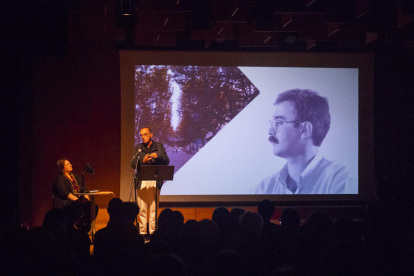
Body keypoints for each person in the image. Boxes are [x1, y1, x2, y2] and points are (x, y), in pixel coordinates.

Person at [250, 89, 350, 194]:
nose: (270, 131)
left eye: (279, 122)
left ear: (305, 129)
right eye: (273, 122)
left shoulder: (342, 182)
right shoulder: (264, 189)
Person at [131, 127, 169, 235]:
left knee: (153, 209)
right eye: (141, 135)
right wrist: (142, 160)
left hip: (154, 180)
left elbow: (166, 161)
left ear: (151, 135)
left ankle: (153, 233)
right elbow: (133, 164)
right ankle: (142, 233)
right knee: (142, 208)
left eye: (145, 134)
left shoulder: (159, 146)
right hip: (142, 181)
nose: (143, 137)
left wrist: (158, 157)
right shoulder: (138, 147)